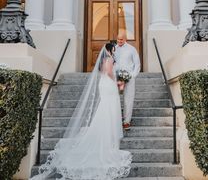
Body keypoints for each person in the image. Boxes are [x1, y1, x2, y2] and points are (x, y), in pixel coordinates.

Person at [30, 43, 132, 180]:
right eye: (113, 48)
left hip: (105, 84)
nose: (115, 50)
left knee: (106, 108)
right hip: (108, 84)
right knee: (108, 108)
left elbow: (105, 72)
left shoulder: (104, 59)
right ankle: (107, 137)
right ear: (109, 49)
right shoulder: (109, 59)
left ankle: (107, 134)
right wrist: (118, 81)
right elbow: (108, 72)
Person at [114, 31, 141, 131]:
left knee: (128, 100)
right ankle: (115, 120)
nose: (119, 41)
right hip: (116, 78)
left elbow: (137, 64)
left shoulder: (132, 49)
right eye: (118, 39)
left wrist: (132, 76)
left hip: (129, 78)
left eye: (121, 39)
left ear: (125, 39)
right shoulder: (114, 49)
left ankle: (126, 121)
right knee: (114, 99)